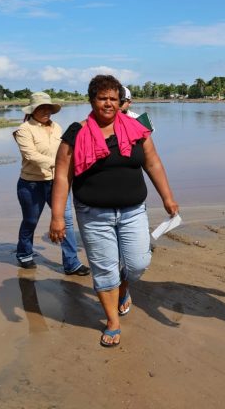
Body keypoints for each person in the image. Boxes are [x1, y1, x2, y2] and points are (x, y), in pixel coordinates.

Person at [49, 75, 179, 347]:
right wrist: (58, 217)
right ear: (92, 100)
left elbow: (153, 164)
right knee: (104, 270)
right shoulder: (75, 134)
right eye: (102, 98)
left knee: (137, 264)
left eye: (113, 98)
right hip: (93, 215)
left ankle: (124, 288)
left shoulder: (136, 129)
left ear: (120, 101)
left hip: (133, 211)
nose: (108, 103)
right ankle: (112, 321)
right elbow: (63, 176)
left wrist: (167, 197)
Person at [14, 92, 90, 276]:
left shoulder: (57, 127)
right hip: (31, 184)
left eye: (48, 108)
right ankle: (24, 253)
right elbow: (31, 155)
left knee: (66, 222)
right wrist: (60, 163)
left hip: (57, 183)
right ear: (32, 110)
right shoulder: (24, 130)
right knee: (31, 220)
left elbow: (67, 150)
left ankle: (71, 263)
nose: (46, 111)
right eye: (41, 108)